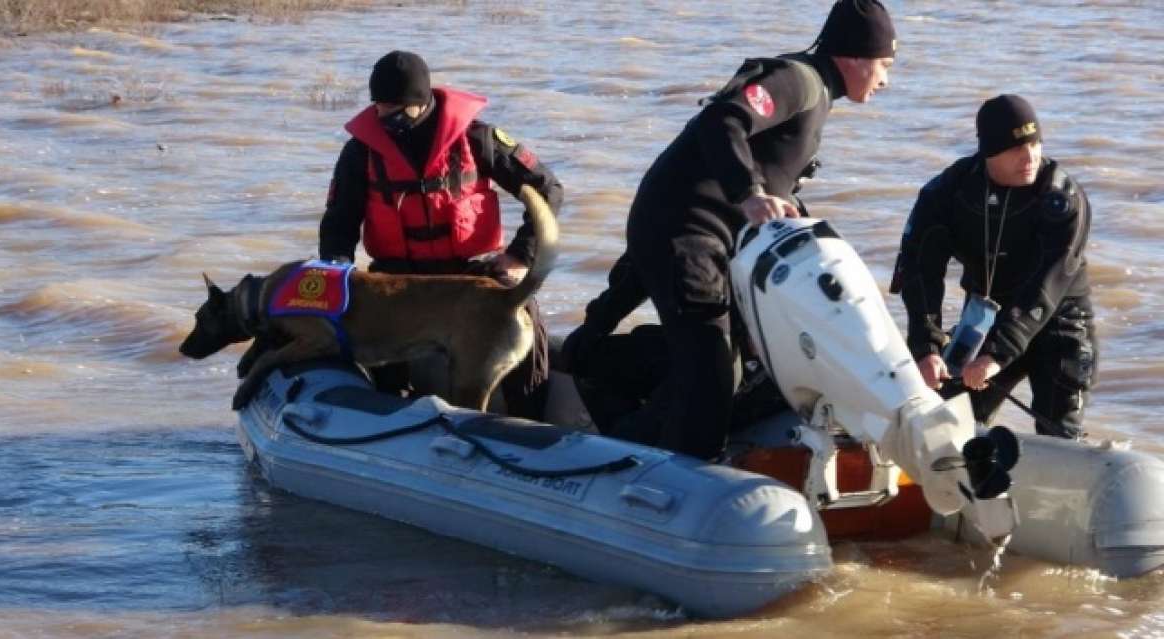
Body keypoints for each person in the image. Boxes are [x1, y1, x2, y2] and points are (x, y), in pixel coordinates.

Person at [559, 0, 898, 459]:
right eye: (884, 65)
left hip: (705, 235)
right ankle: (636, 468)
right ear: (855, 56)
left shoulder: (817, 97)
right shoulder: (798, 80)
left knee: (733, 366)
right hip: (686, 232)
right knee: (711, 379)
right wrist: (750, 192)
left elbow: (769, 177)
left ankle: (610, 388)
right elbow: (724, 118)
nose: (886, 79)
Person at [318, 50, 563, 420]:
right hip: (397, 278)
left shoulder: (478, 139)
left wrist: (518, 256)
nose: (385, 118)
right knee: (369, 337)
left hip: (470, 273)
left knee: (524, 320)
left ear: (422, 103)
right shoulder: (360, 151)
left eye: (396, 110)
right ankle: (390, 422)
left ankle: (530, 424)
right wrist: (336, 272)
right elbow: (339, 222)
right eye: (379, 108)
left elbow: (547, 190)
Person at [891, 94, 1096, 439]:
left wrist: (996, 355)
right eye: (1016, 148)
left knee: (1060, 435)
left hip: (1059, 322)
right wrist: (925, 347)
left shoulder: (1062, 199)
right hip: (988, 320)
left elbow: (1044, 288)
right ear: (989, 153)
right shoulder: (949, 193)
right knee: (940, 421)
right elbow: (919, 271)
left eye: (1035, 144)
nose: (1029, 156)